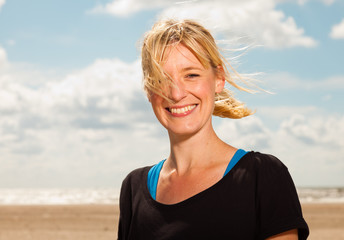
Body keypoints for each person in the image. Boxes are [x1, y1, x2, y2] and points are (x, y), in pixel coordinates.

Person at [117, 19, 309, 240]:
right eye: (162, 79)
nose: (176, 93)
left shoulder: (262, 176)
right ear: (149, 91)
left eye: (191, 75)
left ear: (219, 79)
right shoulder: (134, 188)